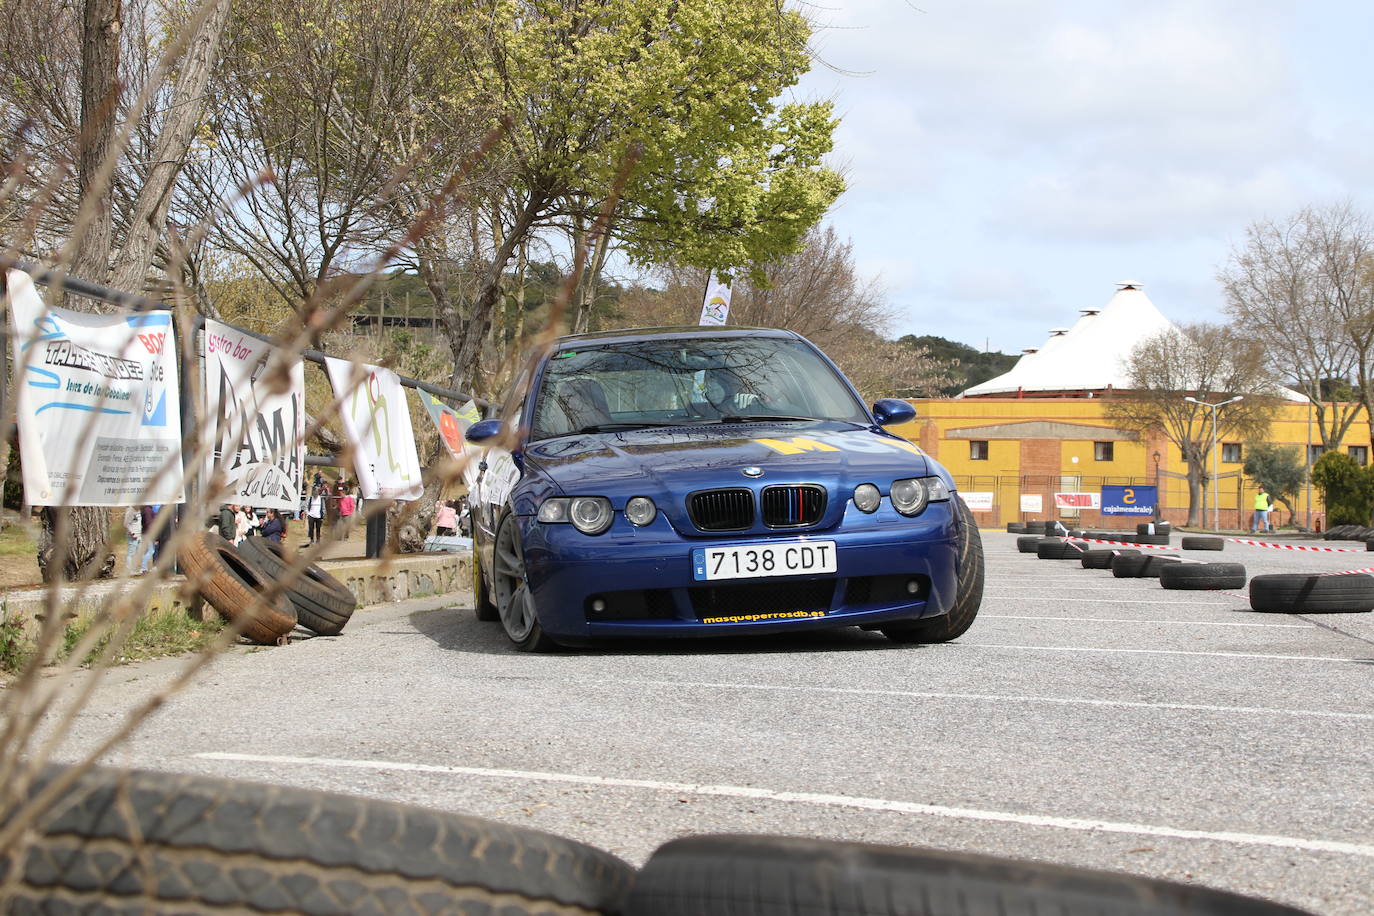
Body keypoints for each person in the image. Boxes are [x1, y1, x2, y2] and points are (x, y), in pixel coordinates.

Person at [123, 505, 143, 575]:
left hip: (139, 534)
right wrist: (132, 533)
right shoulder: (130, 511)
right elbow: (126, 524)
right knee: (131, 553)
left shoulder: (138, 510)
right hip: (133, 535)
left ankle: (135, 569)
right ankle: (129, 570)